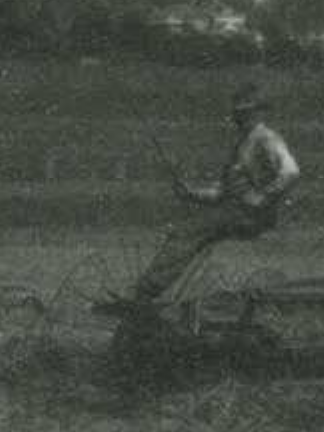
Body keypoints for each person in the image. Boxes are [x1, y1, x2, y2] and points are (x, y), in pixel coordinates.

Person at [128, 82, 300, 304]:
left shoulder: (266, 138)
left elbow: (291, 172)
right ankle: (160, 292)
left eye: (246, 112)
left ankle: (146, 293)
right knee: (190, 231)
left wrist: (263, 197)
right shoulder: (243, 143)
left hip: (250, 215)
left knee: (188, 232)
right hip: (236, 212)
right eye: (238, 113)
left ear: (259, 113)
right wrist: (192, 193)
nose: (240, 117)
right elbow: (223, 192)